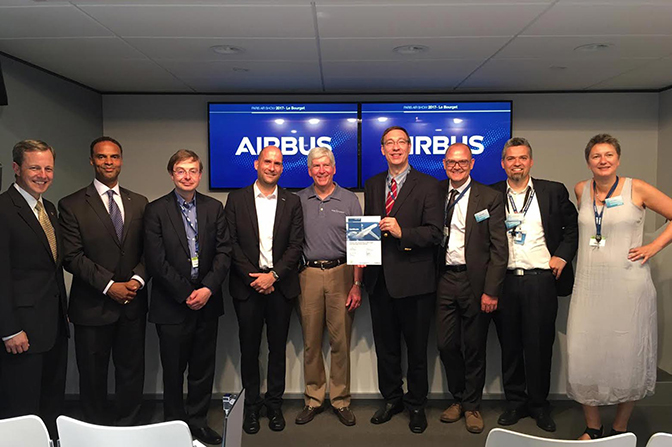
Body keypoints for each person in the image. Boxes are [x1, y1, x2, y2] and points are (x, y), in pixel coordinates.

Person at [567, 134, 672, 440]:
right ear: (588, 161)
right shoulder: (581, 190)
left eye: (609, 154)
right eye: (597, 155)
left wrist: (653, 247)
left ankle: (620, 427)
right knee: (584, 352)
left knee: (627, 352)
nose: (603, 160)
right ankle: (593, 426)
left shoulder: (636, 188)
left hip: (628, 285)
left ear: (618, 158)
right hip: (589, 286)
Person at [58, 136, 148, 425]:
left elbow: (150, 250)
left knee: (131, 371)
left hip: (132, 304)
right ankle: (94, 431)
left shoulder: (140, 202)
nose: (108, 162)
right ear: (92, 161)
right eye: (101, 157)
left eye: (114, 157)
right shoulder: (71, 204)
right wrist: (110, 286)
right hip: (92, 306)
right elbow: (72, 256)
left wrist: (136, 279)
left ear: (121, 160)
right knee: (93, 375)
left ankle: (128, 427)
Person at [144, 150, 231, 445]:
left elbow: (224, 253)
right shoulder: (155, 210)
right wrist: (185, 293)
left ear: (200, 174)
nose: (187, 176)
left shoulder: (213, 207)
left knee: (202, 369)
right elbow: (156, 261)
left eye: (193, 171)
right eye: (181, 171)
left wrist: (207, 289)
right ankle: (174, 425)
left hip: (207, 302)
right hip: (171, 304)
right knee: (173, 370)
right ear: (171, 174)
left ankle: (197, 423)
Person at [491, 137, 578, 432]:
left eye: (522, 158)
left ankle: (540, 405)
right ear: (503, 163)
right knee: (510, 346)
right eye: (511, 158)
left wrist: (562, 256)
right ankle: (515, 403)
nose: (517, 163)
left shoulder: (552, 191)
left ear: (531, 161)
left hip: (541, 280)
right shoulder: (491, 194)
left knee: (539, 346)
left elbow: (571, 228)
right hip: (505, 282)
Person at [363, 126, 443, 434]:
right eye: (389, 143)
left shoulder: (428, 185)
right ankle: (392, 399)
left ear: (410, 147)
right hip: (379, 280)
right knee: (386, 348)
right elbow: (368, 229)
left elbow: (436, 233)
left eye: (401, 142)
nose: (395, 147)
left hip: (415, 282)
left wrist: (403, 233)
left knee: (417, 350)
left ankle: (417, 405)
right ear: (382, 150)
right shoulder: (372, 185)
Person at [224, 145, 304, 435]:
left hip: (280, 288)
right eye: (267, 162)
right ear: (256, 164)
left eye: (278, 163)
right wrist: (254, 278)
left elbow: (296, 245)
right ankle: (252, 406)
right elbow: (230, 243)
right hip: (247, 288)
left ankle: (274, 404)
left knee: (276, 349)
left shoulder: (292, 201)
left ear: (282, 169)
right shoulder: (236, 199)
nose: (272, 167)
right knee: (249, 349)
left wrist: (273, 276)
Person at [436, 142, 507, 434]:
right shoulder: (435, 193)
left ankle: (472, 405)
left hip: (475, 282)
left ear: (472, 163)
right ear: (444, 163)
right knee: (446, 344)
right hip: (442, 279)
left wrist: (491, 291)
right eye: (452, 162)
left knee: (475, 346)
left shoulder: (489, 197)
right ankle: (457, 398)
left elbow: (499, 249)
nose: (456, 166)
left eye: (462, 162)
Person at [0, 140, 69, 439]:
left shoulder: (49, 209)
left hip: (52, 327)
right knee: (22, 411)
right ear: (16, 168)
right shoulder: (3, 209)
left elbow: (50, 269)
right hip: (21, 332)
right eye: (35, 168)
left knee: (50, 405)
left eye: (48, 168)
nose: (43, 174)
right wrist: (9, 329)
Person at [295, 147, 363, 427]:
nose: (321, 170)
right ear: (309, 170)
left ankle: (340, 400)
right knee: (311, 342)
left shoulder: (350, 200)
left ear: (334, 169)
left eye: (326, 165)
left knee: (340, 341)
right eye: (315, 166)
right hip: (307, 274)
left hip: (342, 273)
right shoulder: (297, 200)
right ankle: (313, 399)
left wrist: (357, 284)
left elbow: (361, 246)